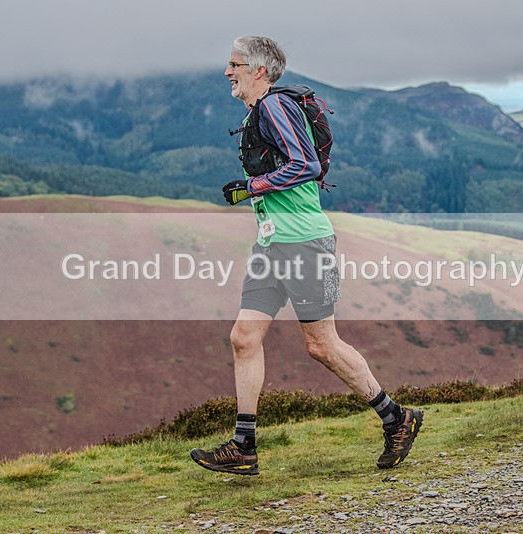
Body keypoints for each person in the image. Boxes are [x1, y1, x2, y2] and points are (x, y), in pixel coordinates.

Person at [190, 35, 422, 476]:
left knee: (321, 345)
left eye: (234, 64)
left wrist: (251, 186)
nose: (227, 72)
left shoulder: (275, 107)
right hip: (273, 244)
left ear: (258, 70)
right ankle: (245, 447)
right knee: (244, 337)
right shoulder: (260, 112)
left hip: (304, 243)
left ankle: (397, 418)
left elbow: (306, 165)